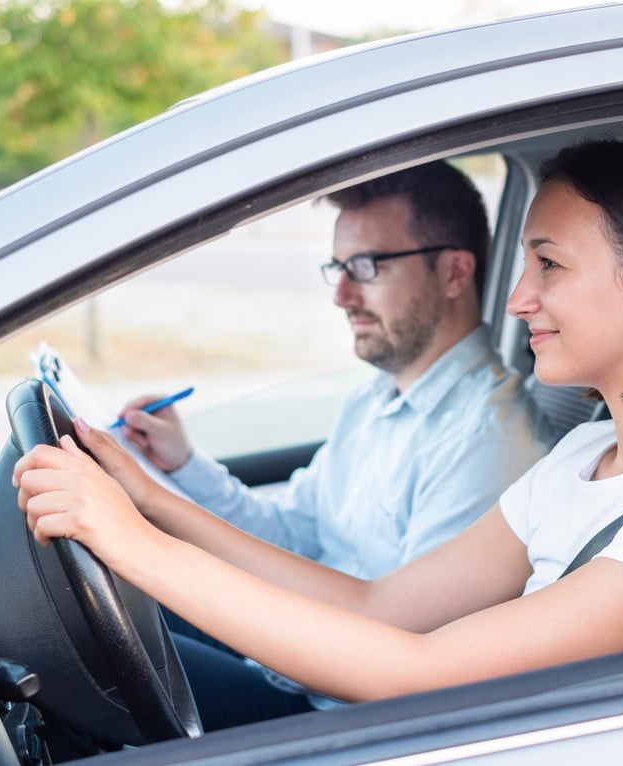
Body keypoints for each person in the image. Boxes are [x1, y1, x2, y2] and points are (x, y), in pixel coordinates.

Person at [13, 136, 623, 732]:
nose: (518, 298)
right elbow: (382, 606)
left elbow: (419, 672)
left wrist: (132, 543)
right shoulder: (586, 455)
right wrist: (148, 498)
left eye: (548, 265)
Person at [116, 161, 552, 585]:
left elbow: (403, 637)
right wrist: (182, 463)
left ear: (454, 273)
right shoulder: (373, 401)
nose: (341, 296)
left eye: (366, 267)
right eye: (340, 268)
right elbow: (290, 535)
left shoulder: (487, 442)